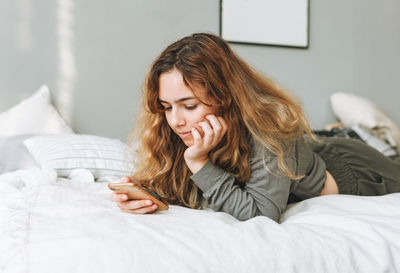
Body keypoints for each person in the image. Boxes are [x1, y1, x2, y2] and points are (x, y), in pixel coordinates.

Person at [110, 32, 400, 222]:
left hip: (359, 169)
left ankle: (365, 131)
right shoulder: (181, 129)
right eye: (166, 106)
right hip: (307, 153)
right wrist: (144, 194)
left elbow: (260, 215)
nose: (176, 121)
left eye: (190, 105)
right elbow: (185, 189)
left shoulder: (269, 129)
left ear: (225, 96)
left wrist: (199, 163)